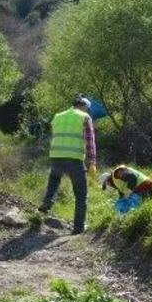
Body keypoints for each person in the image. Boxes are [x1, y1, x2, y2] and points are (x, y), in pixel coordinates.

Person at [39, 96, 97, 234]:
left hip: (56, 156)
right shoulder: (85, 117)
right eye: (87, 108)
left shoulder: (58, 116)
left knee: (54, 180)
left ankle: (48, 201)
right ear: (84, 106)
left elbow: (55, 135)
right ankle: (78, 227)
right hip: (74, 158)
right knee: (81, 194)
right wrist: (92, 161)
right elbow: (90, 141)